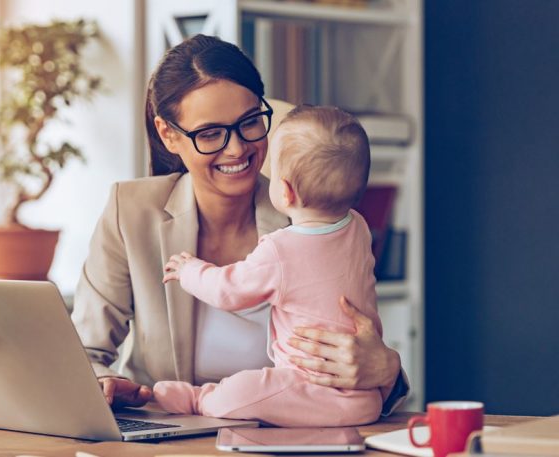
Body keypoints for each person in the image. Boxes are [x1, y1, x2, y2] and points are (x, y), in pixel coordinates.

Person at [71, 34, 408, 413]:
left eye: (249, 122)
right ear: (168, 134)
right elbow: (83, 351)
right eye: (211, 133)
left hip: (286, 435)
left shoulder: (314, 214)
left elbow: (362, 340)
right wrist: (104, 384)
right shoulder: (130, 211)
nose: (237, 149)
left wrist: (387, 369)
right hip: (169, 436)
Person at [153, 105, 382, 426]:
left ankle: (199, 398)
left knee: (245, 389)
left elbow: (228, 290)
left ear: (285, 192)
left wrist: (189, 270)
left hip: (306, 384)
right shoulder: (358, 228)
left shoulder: (281, 249)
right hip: (364, 398)